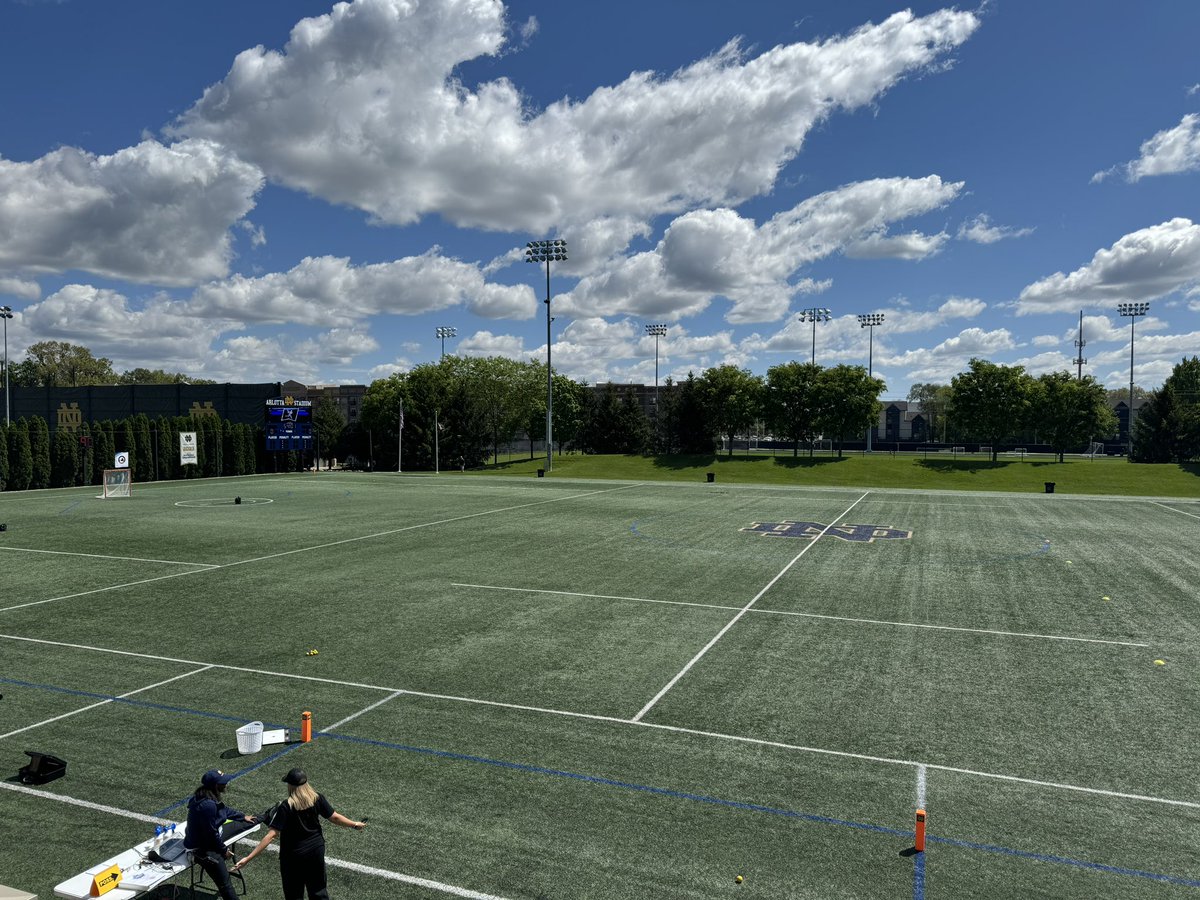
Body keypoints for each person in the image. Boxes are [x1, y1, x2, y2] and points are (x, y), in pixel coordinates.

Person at [234, 767, 366, 899]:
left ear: (291, 786)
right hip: (316, 850)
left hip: (293, 857)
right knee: (318, 890)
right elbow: (334, 817)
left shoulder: (286, 806)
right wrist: (354, 824)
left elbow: (271, 835)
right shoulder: (317, 798)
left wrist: (248, 858)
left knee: (294, 894)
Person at [183, 770, 257, 900]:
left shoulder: (207, 796)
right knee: (225, 885)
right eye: (223, 782)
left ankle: (267, 815)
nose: (226, 784)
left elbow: (224, 810)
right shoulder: (208, 805)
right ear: (215, 785)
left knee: (247, 823)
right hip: (202, 848)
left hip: (207, 839)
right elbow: (211, 834)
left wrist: (242, 816)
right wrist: (224, 850)